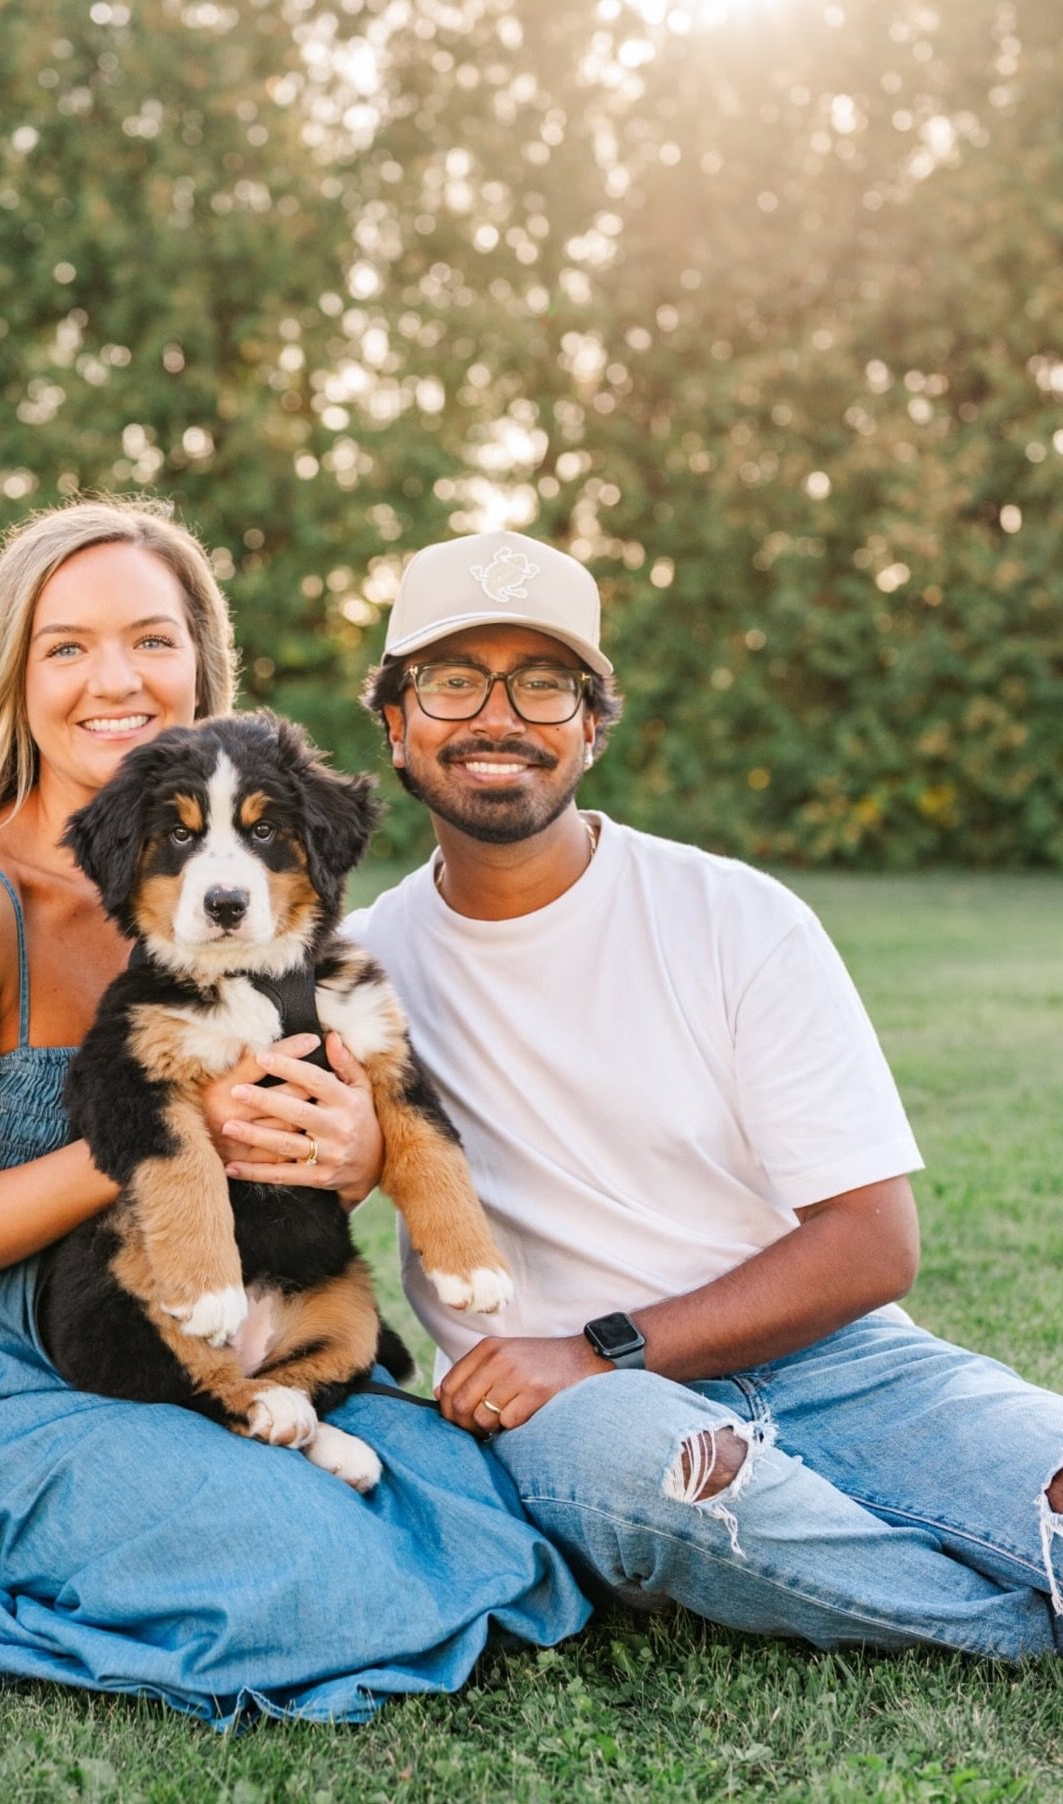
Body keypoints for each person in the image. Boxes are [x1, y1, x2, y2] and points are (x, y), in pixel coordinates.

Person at [0, 499, 589, 1729]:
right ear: (13, 680)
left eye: (150, 639)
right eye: (65, 647)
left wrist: (342, 1155)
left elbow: (295, 1161)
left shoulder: (254, 900)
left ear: (200, 659)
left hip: (232, 1343)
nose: (114, 678)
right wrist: (152, 1141)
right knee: (323, 1567)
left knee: (489, 1505)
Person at [313, 525, 1062, 1657]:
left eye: (545, 683)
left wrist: (601, 1342)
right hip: (585, 1417)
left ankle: (918, 1562)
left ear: (593, 728)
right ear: (396, 722)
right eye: (454, 680)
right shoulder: (359, 973)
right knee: (650, 1477)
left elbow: (872, 1244)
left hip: (837, 1360)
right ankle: (1004, 1627)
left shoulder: (736, 916)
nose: (497, 717)